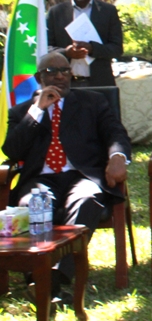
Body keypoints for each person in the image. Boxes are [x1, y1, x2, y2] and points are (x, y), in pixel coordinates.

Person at [2, 52, 131, 301]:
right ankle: (43, 279)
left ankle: (50, 279)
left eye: (65, 70)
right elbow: (12, 150)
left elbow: (115, 132)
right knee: (32, 205)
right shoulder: (21, 112)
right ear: (39, 78)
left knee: (87, 200)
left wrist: (117, 157)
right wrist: (37, 110)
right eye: (52, 71)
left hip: (81, 175)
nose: (61, 75)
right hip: (41, 180)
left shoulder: (93, 102)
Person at [47, 0, 123, 87]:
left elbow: (117, 49)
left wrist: (93, 48)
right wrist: (66, 52)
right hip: (65, 85)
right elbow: (47, 48)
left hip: (99, 84)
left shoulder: (108, 11)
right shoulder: (56, 13)